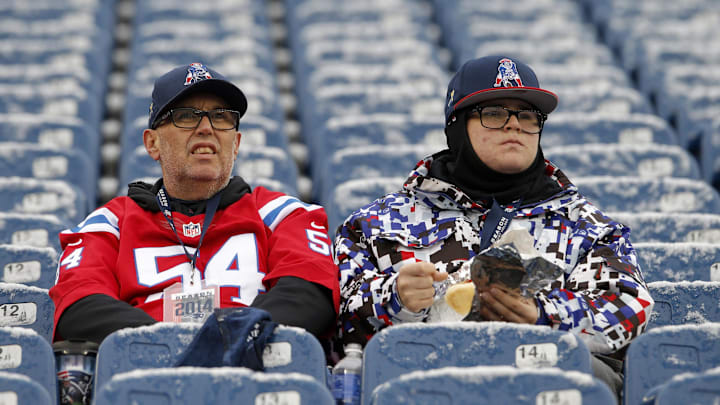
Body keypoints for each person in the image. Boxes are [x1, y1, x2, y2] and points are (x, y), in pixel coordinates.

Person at [334, 55, 654, 397]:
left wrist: (544, 315)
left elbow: (629, 308)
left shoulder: (586, 226)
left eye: (528, 115)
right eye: (495, 114)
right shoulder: (373, 224)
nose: (514, 125)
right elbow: (339, 321)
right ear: (457, 124)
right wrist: (394, 298)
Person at [50, 62, 339, 345]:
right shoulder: (109, 223)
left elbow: (310, 296)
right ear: (153, 144)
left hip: (254, 375)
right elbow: (78, 305)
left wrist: (227, 340)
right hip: (146, 377)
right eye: (187, 116)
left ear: (236, 143)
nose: (206, 128)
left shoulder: (284, 214)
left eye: (221, 116)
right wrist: (174, 345)